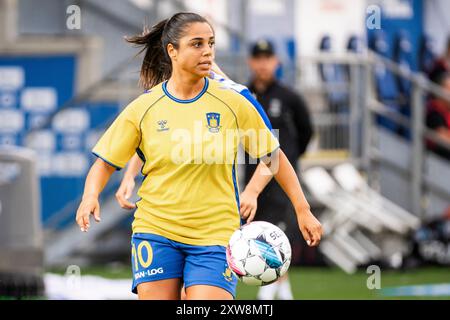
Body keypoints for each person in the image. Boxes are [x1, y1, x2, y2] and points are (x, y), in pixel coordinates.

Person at [75, 12, 322, 300]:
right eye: (197, 44)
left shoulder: (234, 102)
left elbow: (273, 157)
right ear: (172, 51)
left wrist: (302, 209)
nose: (207, 51)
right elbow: (104, 163)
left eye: (211, 43)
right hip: (156, 231)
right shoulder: (144, 107)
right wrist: (90, 195)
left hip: (215, 235)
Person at [245, 39, 314, 300]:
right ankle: (284, 292)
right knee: (258, 234)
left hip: (280, 181)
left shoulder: (289, 97)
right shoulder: (244, 95)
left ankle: (267, 296)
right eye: (258, 59)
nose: (263, 64)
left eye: (268, 58)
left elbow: (306, 131)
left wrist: (290, 160)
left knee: (275, 237)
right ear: (251, 62)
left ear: (277, 62)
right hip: (251, 179)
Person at [426, 71, 450, 160]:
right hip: (435, 163)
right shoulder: (434, 113)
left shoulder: (447, 111)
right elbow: (442, 139)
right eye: (449, 90)